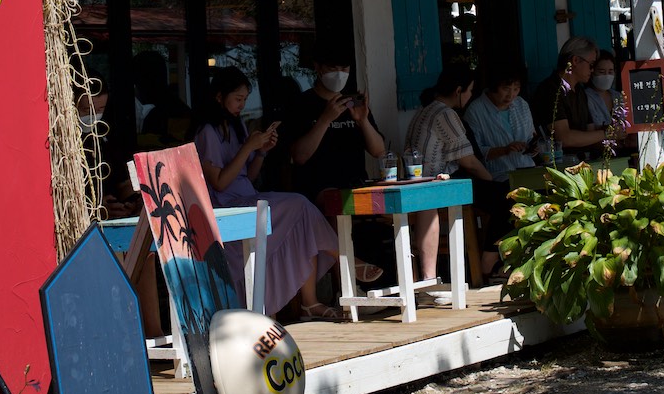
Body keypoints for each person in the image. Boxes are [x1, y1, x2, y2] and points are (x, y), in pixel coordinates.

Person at [191, 67, 347, 322]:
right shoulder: (207, 131)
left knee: (301, 217)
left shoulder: (237, 126)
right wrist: (248, 148)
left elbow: (247, 176)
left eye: (245, 99)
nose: (242, 105)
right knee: (299, 204)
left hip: (247, 198)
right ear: (219, 97)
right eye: (238, 99)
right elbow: (219, 183)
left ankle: (314, 295)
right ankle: (342, 256)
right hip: (228, 208)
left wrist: (261, 152)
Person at [401, 62, 509, 283]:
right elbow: (469, 162)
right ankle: (489, 261)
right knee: (507, 196)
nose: (470, 96)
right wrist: (490, 180)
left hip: (422, 181)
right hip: (437, 183)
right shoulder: (445, 113)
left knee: (496, 193)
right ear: (459, 90)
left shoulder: (424, 110)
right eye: (470, 91)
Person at [285, 42, 388, 202]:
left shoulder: (353, 103)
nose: (339, 74)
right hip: (318, 190)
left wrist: (363, 121)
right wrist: (325, 120)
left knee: (395, 204)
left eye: (344, 69)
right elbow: (299, 156)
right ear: (318, 68)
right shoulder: (302, 104)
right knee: (337, 203)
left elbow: (379, 151)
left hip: (357, 186)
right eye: (332, 69)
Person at [531, 35, 616, 163]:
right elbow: (564, 138)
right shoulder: (550, 89)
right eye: (591, 64)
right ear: (575, 60)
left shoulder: (579, 90)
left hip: (584, 162)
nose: (592, 70)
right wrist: (607, 133)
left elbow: (590, 132)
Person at [463, 63, 538, 178]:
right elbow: (474, 153)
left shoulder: (521, 104)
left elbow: (530, 137)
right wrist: (504, 150)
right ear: (493, 86)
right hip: (499, 176)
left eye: (516, 89)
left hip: (527, 170)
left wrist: (534, 147)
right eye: (506, 89)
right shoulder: (475, 111)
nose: (511, 95)